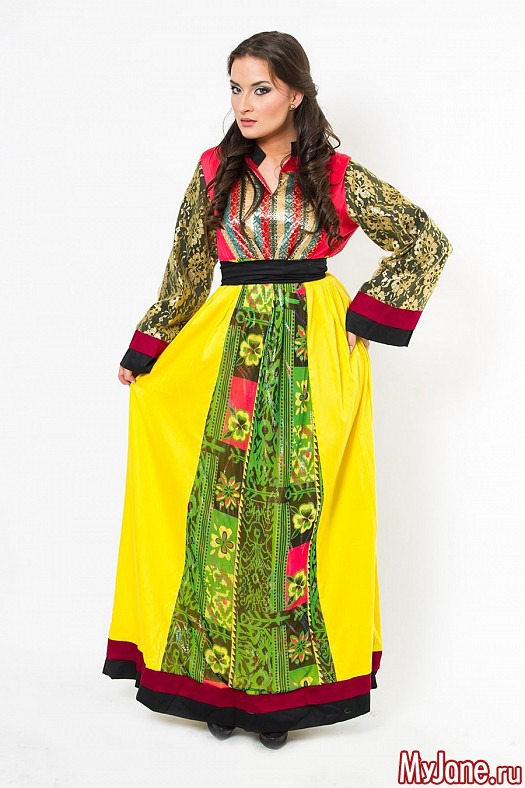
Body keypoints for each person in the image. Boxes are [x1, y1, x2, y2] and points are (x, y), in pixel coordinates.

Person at [102, 30, 453, 750]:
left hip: (313, 350)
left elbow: (424, 239)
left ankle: (283, 698)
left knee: (297, 515)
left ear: (295, 93)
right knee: (219, 512)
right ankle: (217, 687)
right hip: (223, 351)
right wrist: (150, 346)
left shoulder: (335, 174)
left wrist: (365, 317)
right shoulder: (213, 171)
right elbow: (185, 269)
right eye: (235, 88)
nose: (245, 103)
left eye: (260, 88)